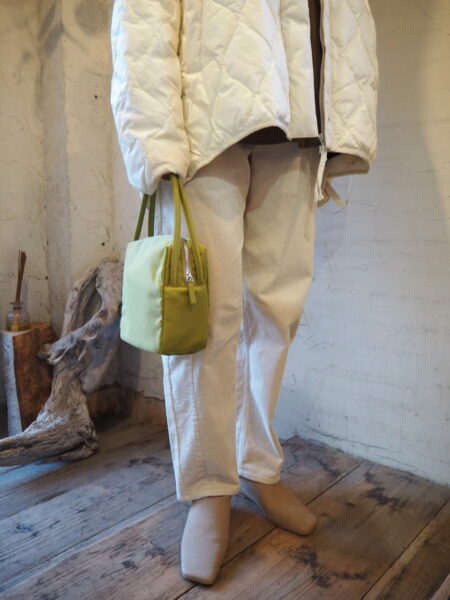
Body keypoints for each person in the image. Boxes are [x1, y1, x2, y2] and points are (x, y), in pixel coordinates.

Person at [110, 0, 378, 586]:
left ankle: (258, 465)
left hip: (300, 117)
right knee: (205, 316)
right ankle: (209, 487)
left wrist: (343, 119)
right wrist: (153, 140)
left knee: (276, 313)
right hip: (206, 119)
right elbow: (143, 15)